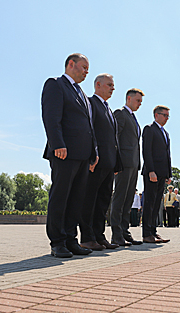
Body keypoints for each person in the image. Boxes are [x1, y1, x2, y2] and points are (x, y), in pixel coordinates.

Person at [41, 53, 97, 258]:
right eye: (83, 67)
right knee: (61, 197)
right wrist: (58, 144)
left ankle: (71, 239)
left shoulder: (82, 93)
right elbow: (51, 117)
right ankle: (57, 241)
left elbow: (90, 126)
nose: (86, 72)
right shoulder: (56, 84)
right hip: (64, 152)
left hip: (83, 155)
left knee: (76, 198)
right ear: (71, 64)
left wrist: (94, 153)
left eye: (88, 69)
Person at [79, 74, 122, 251]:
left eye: (113, 85)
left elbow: (113, 139)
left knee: (103, 201)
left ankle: (99, 236)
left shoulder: (109, 109)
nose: (113, 88)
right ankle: (87, 237)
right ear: (98, 85)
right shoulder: (90, 103)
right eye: (110, 85)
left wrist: (117, 164)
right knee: (90, 200)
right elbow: (89, 132)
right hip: (96, 162)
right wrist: (91, 156)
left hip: (109, 164)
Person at [111, 88, 144, 246]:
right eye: (138, 101)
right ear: (129, 99)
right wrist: (116, 161)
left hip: (133, 164)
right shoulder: (120, 113)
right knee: (120, 198)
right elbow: (115, 138)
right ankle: (116, 234)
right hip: (123, 163)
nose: (139, 104)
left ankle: (125, 231)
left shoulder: (133, 117)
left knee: (128, 199)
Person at [142, 105, 172, 243]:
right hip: (152, 173)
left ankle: (153, 231)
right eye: (164, 115)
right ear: (156, 115)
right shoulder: (149, 129)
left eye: (167, 116)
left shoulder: (165, 133)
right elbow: (146, 151)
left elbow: (167, 155)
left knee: (156, 203)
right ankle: (147, 233)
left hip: (162, 173)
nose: (166, 118)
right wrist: (151, 170)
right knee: (149, 202)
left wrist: (168, 174)